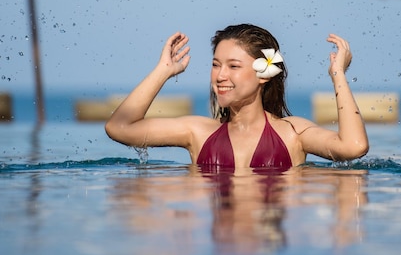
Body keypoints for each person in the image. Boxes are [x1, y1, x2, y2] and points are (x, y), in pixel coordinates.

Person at [105, 23, 368, 170]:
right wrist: (163, 72)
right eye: (216, 64)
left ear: (263, 75)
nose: (220, 76)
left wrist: (338, 75)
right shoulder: (198, 132)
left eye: (233, 66)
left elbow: (353, 147)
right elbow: (119, 128)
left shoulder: (292, 133)